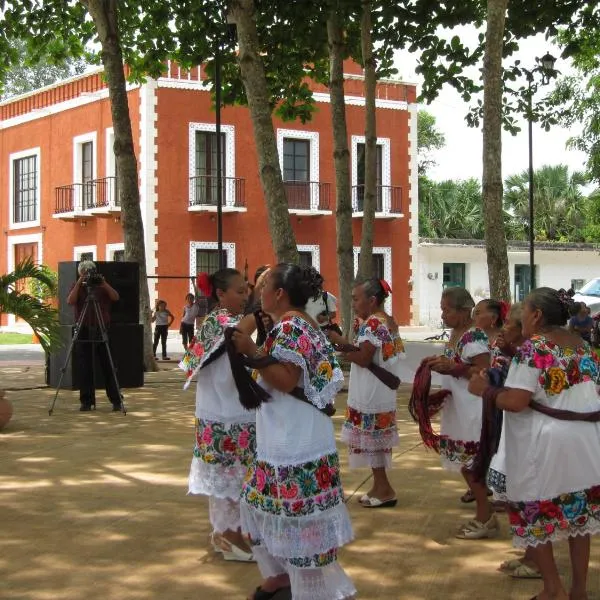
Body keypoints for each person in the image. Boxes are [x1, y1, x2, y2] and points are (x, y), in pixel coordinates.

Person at [231, 263, 355, 600]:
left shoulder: (290, 328)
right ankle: (282, 577)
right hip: (291, 433)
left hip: (294, 438)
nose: (258, 288)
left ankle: (309, 588)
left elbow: (285, 381)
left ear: (279, 294)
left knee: (294, 518)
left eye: (264, 284)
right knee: (261, 504)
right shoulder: (300, 323)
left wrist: (251, 352)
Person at [469, 287, 600, 600]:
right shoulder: (581, 345)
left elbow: (515, 401)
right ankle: (578, 591)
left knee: (536, 511)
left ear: (537, 315)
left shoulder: (534, 347)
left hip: (546, 444)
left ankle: (552, 589)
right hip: (586, 442)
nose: (519, 318)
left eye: (523, 311)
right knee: (578, 515)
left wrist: (483, 390)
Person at [182, 268, 258, 562]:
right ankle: (229, 534)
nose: (245, 295)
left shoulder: (226, 319)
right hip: (223, 415)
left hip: (229, 410)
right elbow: (239, 334)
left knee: (233, 477)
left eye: (246, 290)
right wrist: (264, 308)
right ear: (220, 294)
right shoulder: (218, 321)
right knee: (231, 477)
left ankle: (226, 531)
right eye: (239, 291)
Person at [426, 287, 496, 539]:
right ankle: (484, 513)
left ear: (464, 311)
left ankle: (485, 516)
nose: (443, 314)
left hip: (473, 409)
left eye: (447, 309)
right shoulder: (458, 333)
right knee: (468, 466)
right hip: (459, 407)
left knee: (471, 466)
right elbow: (460, 365)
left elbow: (482, 371)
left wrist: (452, 367)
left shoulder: (473, 336)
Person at [328, 278, 405, 508]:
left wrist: (341, 351)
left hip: (371, 392)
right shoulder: (386, 320)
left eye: (356, 298)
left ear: (372, 300)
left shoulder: (373, 324)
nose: (352, 303)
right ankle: (380, 486)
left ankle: (384, 488)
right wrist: (343, 343)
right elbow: (369, 353)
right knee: (375, 442)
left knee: (372, 440)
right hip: (378, 391)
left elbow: (363, 358)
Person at [66, 260, 122, 412]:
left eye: (89, 272)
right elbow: (70, 300)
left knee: (108, 365)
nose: (87, 275)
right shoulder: (78, 286)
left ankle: (116, 400)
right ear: (79, 273)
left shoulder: (101, 285)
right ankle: (86, 401)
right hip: (83, 328)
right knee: (84, 367)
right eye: (84, 272)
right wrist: (79, 283)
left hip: (101, 328)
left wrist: (103, 284)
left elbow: (115, 297)